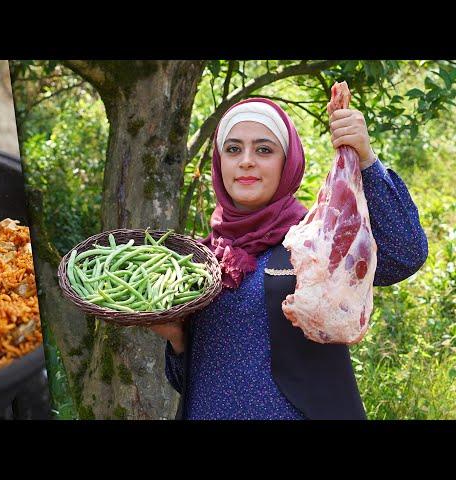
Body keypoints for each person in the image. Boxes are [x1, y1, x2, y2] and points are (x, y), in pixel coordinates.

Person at [150, 98, 428, 420]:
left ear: (288, 162)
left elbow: (404, 254)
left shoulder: (315, 242)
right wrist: (176, 338)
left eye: (264, 150)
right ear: (219, 162)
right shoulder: (203, 259)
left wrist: (365, 159)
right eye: (233, 149)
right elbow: (190, 381)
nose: (247, 162)